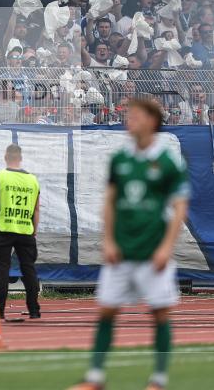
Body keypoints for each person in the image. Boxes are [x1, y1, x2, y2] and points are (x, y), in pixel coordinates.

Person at [69, 98, 190, 390]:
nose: (129, 119)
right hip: (121, 251)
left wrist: (165, 248)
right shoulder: (120, 158)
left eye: (135, 115)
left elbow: (180, 207)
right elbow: (109, 201)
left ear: (151, 120)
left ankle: (158, 380)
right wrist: (107, 240)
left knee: (160, 312)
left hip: (152, 252)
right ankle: (95, 378)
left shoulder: (168, 161)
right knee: (106, 310)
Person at [0, 143, 41, 320]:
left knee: (2, 270)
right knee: (29, 270)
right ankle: (34, 310)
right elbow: (36, 209)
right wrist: (34, 231)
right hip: (26, 230)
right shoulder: (33, 180)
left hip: (4, 228)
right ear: (20, 158)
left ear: (6, 157)